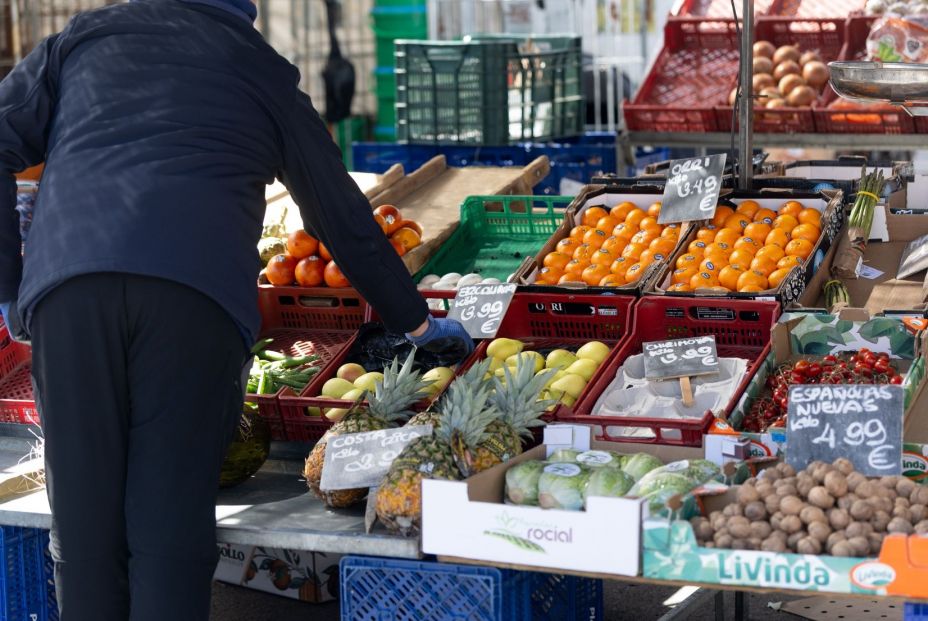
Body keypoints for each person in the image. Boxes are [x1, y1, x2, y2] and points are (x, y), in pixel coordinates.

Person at [0, 0, 472, 619]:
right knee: (166, 525)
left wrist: (12, 286)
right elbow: (341, 216)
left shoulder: (87, 37)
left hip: (70, 294)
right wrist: (420, 325)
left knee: (84, 525)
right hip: (191, 302)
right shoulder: (258, 67)